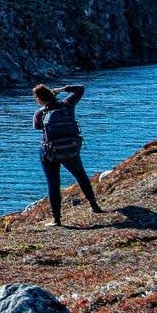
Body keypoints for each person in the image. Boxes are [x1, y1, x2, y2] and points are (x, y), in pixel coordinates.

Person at [32, 84, 104, 226]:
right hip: (70, 149)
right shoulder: (67, 104)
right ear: (52, 94)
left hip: (50, 152)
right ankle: (94, 205)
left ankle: (57, 219)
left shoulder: (40, 113)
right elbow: (80, 88)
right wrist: (60, 90)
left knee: (53, 183)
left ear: (39, 99)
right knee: (81, 175)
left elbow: (37, 127)